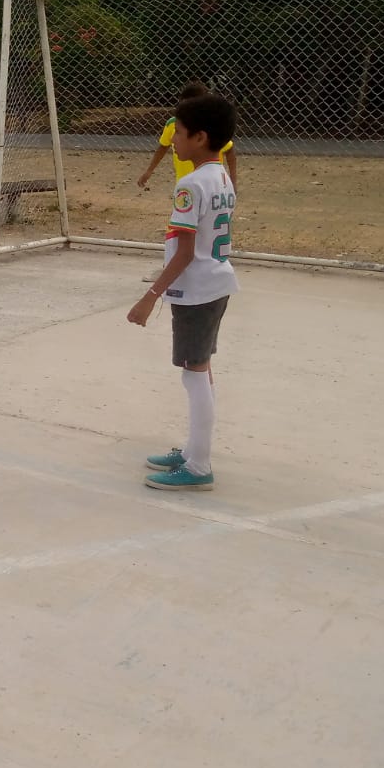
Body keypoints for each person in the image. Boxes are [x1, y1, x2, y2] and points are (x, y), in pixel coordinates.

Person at [125, 92, 239, 492]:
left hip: (197, 290)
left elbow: (187, 252)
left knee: (194, 374)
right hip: (216, 284)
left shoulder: (190, 185)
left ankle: (198, 466)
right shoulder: (222, 176)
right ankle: (192, 450)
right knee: (200, 369)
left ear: (200, 137)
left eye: (180, 132)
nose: (173, 139)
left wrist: (150, 296)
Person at [137, 81, 240, 282]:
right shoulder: (174, 125)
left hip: (204, 187)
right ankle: (171, 268)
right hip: (191, 187)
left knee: (195, 232)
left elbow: (229, 150)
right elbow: (163, 147)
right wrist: (149, 171)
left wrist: (233, 180)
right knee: (184, 231)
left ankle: (174, 272)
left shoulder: (210, 129)